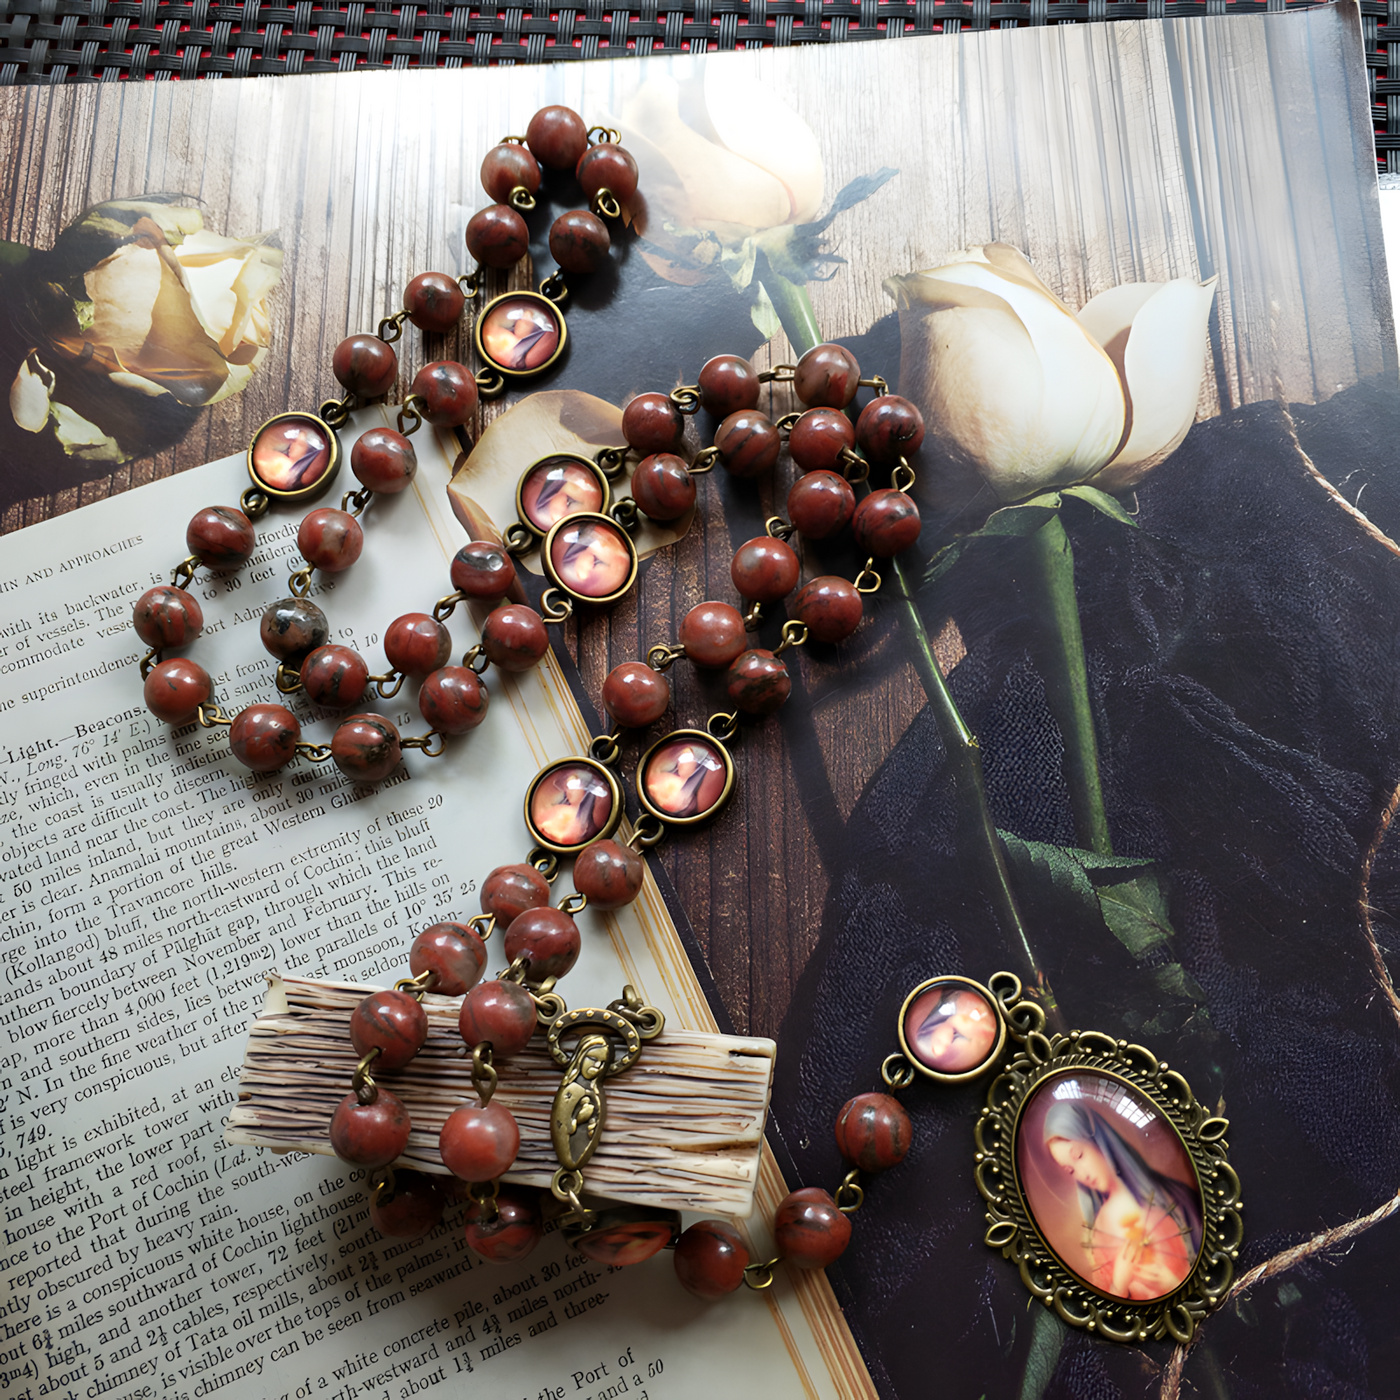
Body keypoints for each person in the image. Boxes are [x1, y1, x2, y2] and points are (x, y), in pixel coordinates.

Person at [1041, 1098, 1203, 1301]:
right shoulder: (1097, 1233)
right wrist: (1120, 1283)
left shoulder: (1174, 1195)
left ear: (1098, 1140)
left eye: (1080, 1155)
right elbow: (1103, 1305)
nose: (1082, 1174)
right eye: (1071, 1170)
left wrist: (1174, 1285)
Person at [911, 985, 998, 1073]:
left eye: (939, 1041)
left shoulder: (953, 1001)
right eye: (947, 1047)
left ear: (932, 1029)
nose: (948, 1042)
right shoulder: (968, 1038)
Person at [532, 767, 609, 847]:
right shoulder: (560, 808)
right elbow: (542, 824)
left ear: (584, 790)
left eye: (575, 787)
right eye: (568, 787)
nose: (570, 791)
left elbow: (568, 837)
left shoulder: (583, 823)